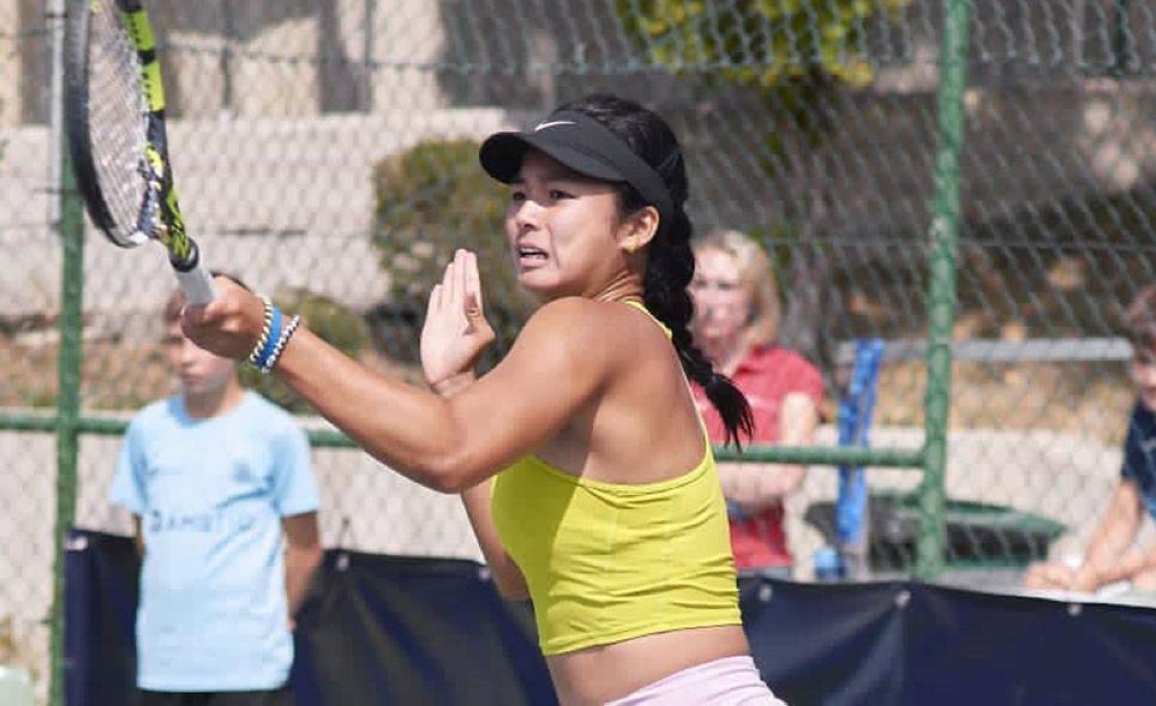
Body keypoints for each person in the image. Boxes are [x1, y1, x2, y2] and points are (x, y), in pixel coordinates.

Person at [181, 94, 786, 704]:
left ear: (637, 226)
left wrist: (271, 335)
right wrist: (456, 386)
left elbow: (448, 451)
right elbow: (515, 570)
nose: (527, 215)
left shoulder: (589, 327)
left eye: (559, 196)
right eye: (521, 194)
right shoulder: (596, 341)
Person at [109, 277, 323, 706]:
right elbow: (142, 533)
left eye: (200, 342)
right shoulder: (146, 430)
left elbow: (305, 545)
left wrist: (277, 614)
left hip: (249, 668)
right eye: (176, 342)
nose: (187, 357)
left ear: (233, 343)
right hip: (164, 665)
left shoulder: (276, 433)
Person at [1024, 283, 1156, 597]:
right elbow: (1123, 513)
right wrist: (1086, 574)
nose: (1151, 378)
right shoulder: (1145, 416)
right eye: (1143, 361)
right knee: (1043, 579)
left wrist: (1106, 575)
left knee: (1151, 587)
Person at [689, 229, 824, 579]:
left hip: (759, 562)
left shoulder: (792, 373)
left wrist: (691, 479)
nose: (710, 300)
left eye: (725, 287)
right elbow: (642, 467)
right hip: (678, 560)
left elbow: (785, 476)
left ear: (753, 298)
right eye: (701, 285)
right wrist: (741, 482)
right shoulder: (664, 366)